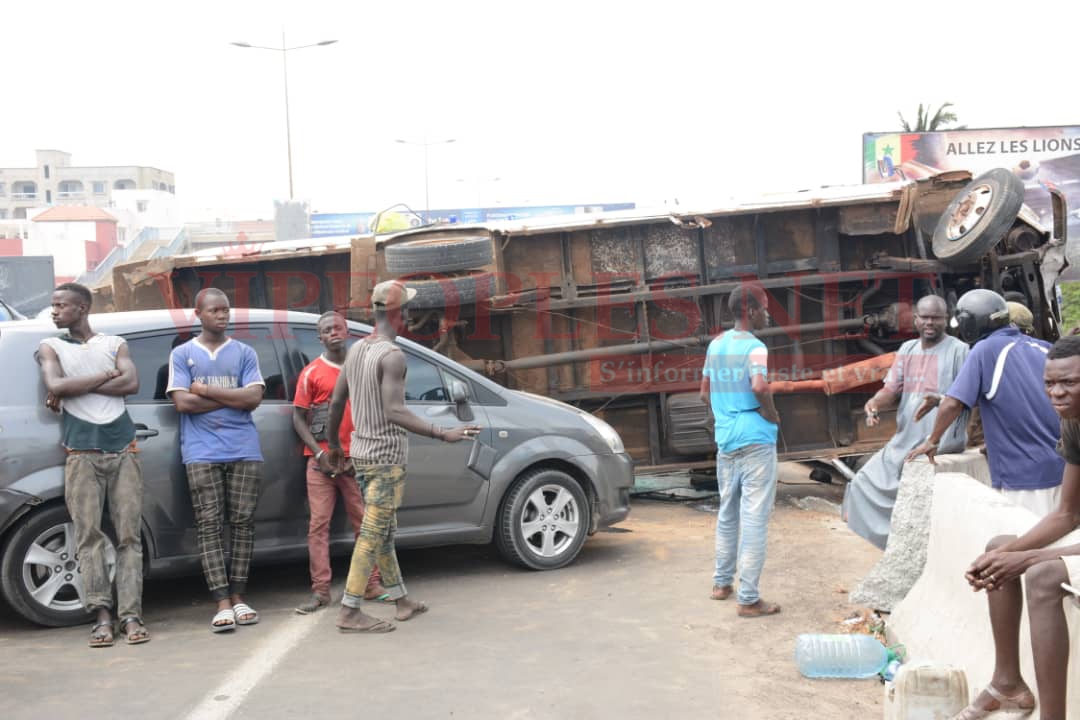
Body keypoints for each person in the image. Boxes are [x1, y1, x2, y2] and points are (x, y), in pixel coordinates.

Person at [326, 280, 480, 633]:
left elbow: (336, 402)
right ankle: (350, 611)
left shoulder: (357, 350)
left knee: (383, 532)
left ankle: (401, 600)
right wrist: (443, 432)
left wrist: (334, 443)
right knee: (372, 533)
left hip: (362, 454)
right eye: (409, 309)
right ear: (401, 314)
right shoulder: (392, 356)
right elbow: (394, 411)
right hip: (384, 459)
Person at [945, 334, 1080, 720]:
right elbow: (1066, 515)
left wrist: (1029, 558)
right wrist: (1004, 556)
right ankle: (1008, 683)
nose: (1056, 393)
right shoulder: (1073, 423)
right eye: (1050, 384)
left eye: (1069, 383)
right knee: (998, 547)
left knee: (1042, 574)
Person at [37, 282, 149, 647]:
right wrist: (103, 376)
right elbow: (54, 383)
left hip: (123, 449)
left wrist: (72, 387)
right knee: (88, 537)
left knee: (129, 537)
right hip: (81, 452)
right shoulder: (50, 346)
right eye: (53, 305)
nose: (54, 311)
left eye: (61, 305)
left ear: (82, 308)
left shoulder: (114, 343)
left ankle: (131, 615)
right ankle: (101, 614)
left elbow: (131, 383)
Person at [908, 289, 1064, 517]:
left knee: (1027, 546)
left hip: (1026, 477)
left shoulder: (985, 350)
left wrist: (932, 441)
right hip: (1066, 470)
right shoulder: (1044, 348)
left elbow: (954, 404)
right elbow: (1018, 395)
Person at [166, 288, 265, 633]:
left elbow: (253, 398)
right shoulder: (182, 354)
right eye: (214, 310)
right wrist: (233, 399)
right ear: (198, 313)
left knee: (242, 523)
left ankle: (239, 596)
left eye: (226, 310)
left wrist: (206, 391)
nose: (222, 316)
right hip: (201, 451)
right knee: (209, 525)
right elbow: (183, 404)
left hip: (244, 448)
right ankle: (221, 601)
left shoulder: (244, 352)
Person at [843, 295, 969, 549]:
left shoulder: (960, 351)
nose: (930, 323)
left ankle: (912, 548)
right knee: (861, 483)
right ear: (915, 319)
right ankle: (893, 548)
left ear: (946, 319)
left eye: (936, 317)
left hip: (939, 442)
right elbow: (891, 389)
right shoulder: (907, 350)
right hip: (904, 440)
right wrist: (875, 403)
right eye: (924, 317)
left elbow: (967, 398)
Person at [292, 311, 388, 614]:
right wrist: (320, 454)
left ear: (346, 331)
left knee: (365, 523)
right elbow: (298, 418)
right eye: (326, 330)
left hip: (356, 460)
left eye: (337, 327)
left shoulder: (363, 369)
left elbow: (378, 411)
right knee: (318, 526)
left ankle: (371, 584)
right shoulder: (311, 373)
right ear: (319, 337)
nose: (333, 332)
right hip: (320, 463)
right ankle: (321, 592)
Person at [699, 281, 781, 618]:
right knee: (755, 518)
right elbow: (760, 385)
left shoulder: (716, 345)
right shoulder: (756, 347)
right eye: (764, 307)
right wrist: (771, 414)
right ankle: (748, 599)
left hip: (726, 439)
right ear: (750, 311)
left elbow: (705, 393)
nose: (768, 314)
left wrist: (724, 412)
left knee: (727, 513)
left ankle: (721, 584)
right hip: (755, 439)